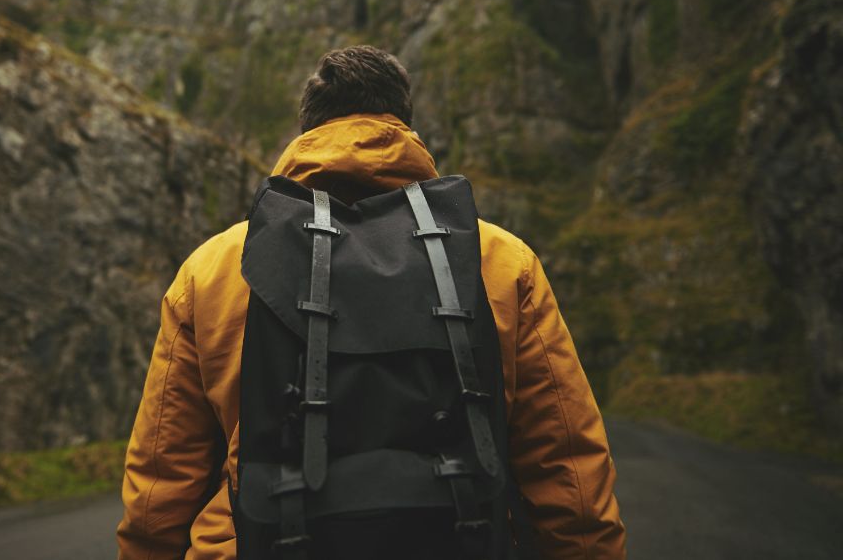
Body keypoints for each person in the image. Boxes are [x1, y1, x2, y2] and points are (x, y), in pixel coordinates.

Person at [116, 45, 627, 559]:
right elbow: (569, 473)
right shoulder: (499, 259)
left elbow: (158, 494)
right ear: (403, 125)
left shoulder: (216, 269)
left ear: (307, 131)